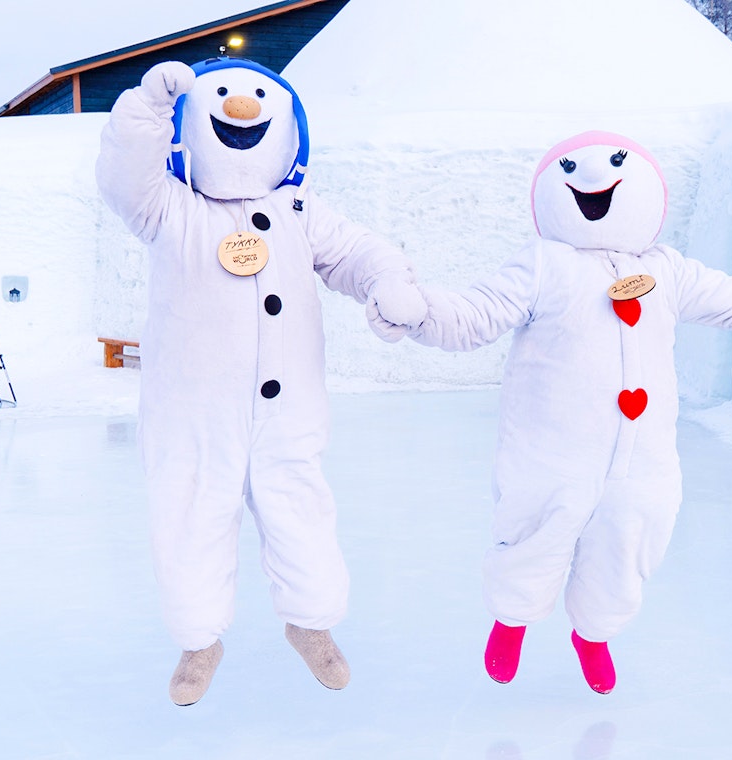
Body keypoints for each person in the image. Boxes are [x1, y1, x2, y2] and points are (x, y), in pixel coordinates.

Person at [391, 131, 732, 693]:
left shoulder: (667, 270)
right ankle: (511, 620)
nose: (592, 182)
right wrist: (419, 313)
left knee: (630, 542)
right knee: (534, 533)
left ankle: (594, 634)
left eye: (613, 168)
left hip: (643, 460)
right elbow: (476, 314)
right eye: (571, 172)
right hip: (551, 452)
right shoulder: (543, 264)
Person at [95, 58, 426, 705]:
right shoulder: (169, 207)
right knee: (189, 517)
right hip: (193, 414)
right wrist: (145, 110)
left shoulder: (299, 209)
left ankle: (312, 624)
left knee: (302, 512)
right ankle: (198, 642)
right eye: (223, 100)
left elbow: (358, 253)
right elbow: (121, 176)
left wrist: (389, 284)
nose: (242, 110)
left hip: (288, 410)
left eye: (259, 101)